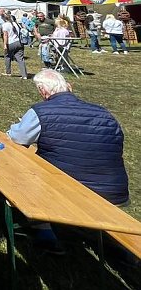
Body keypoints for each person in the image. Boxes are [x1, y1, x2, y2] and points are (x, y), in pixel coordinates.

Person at [8, 69, 129, 251]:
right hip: (113, 193)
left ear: (43, 91)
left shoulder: (41, 111)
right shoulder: (105, 114)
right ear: (69, 87)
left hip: (68, 192)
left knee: (22, 166)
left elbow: (17, 138)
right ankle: (117, 247)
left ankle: (43, 230)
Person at [0, 8, 28, 79]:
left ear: (4, 18)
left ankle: (8, 72)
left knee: (7, 57)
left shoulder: (5, 25)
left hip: (11, 43)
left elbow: (5, 36)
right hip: (19, 42)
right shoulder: (16, 24)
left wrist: (5, 45)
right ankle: (24, 75)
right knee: (20, 59)